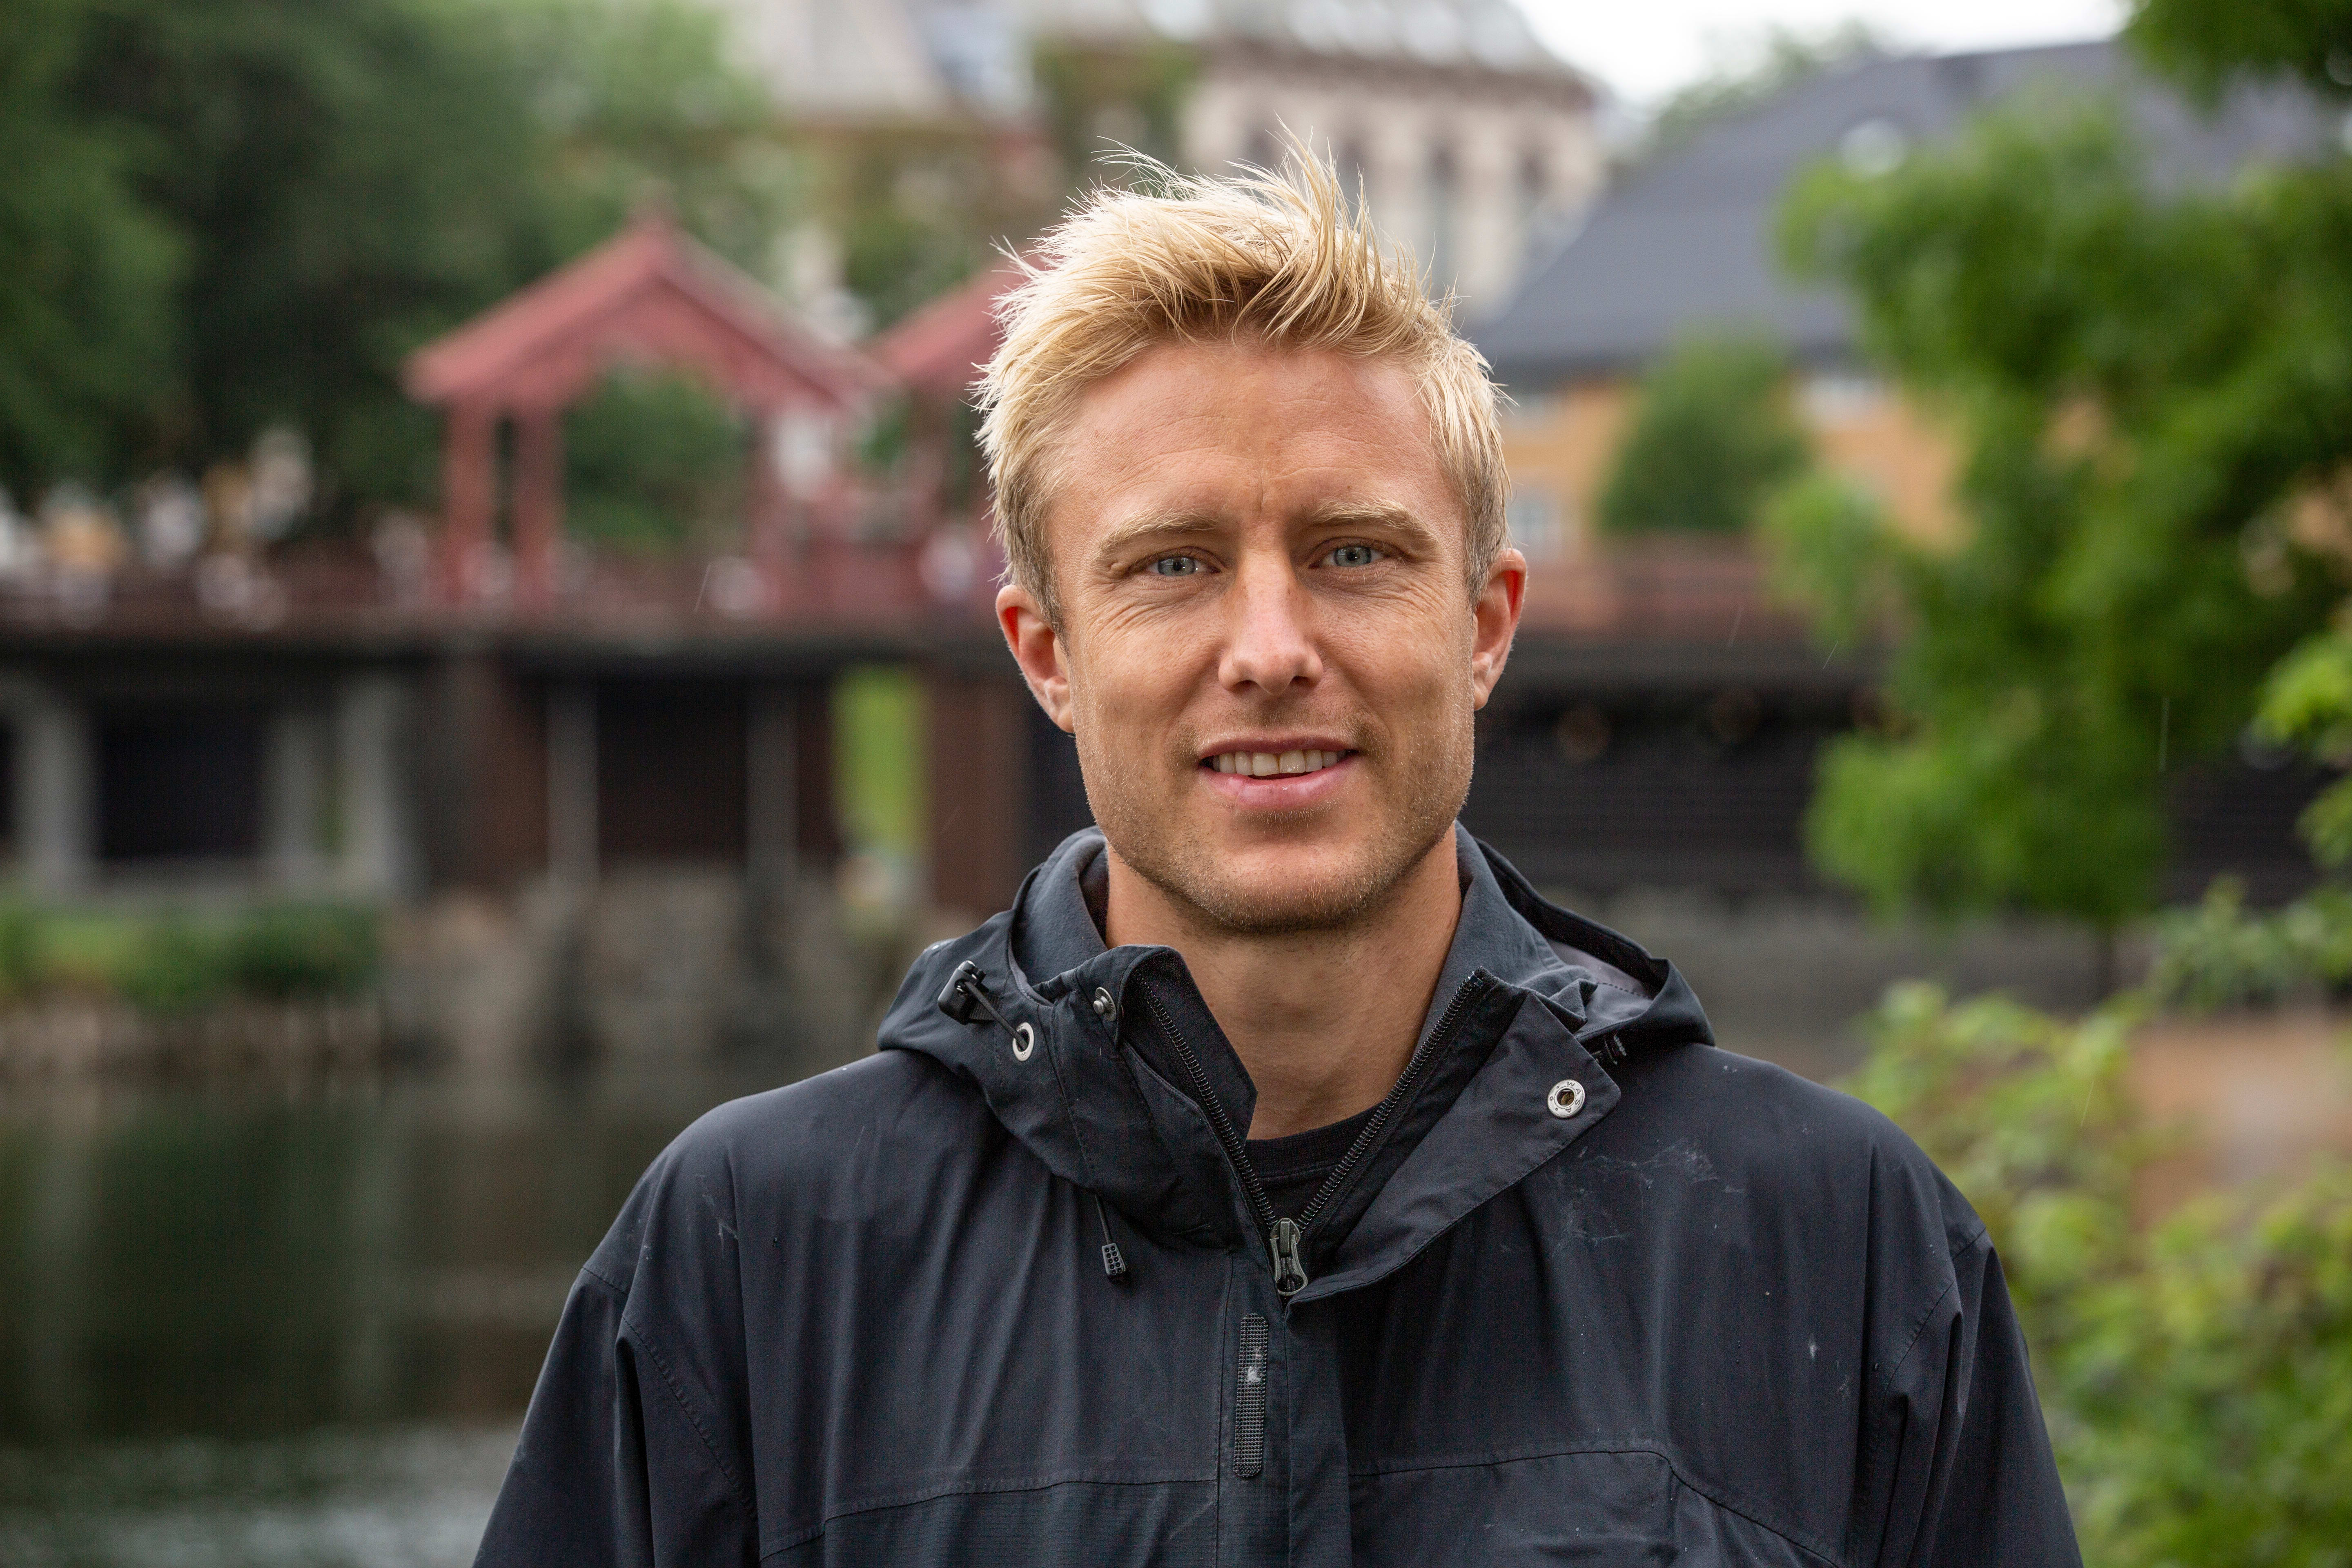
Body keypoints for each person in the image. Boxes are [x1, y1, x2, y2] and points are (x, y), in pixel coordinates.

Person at [473, 153, 2081, 1568]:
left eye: (1353, 553)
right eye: (1173, 566)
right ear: (1046, 654)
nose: (1269, 647)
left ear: (1485, 627)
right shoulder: (754, 1261)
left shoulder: (1835, 1247)